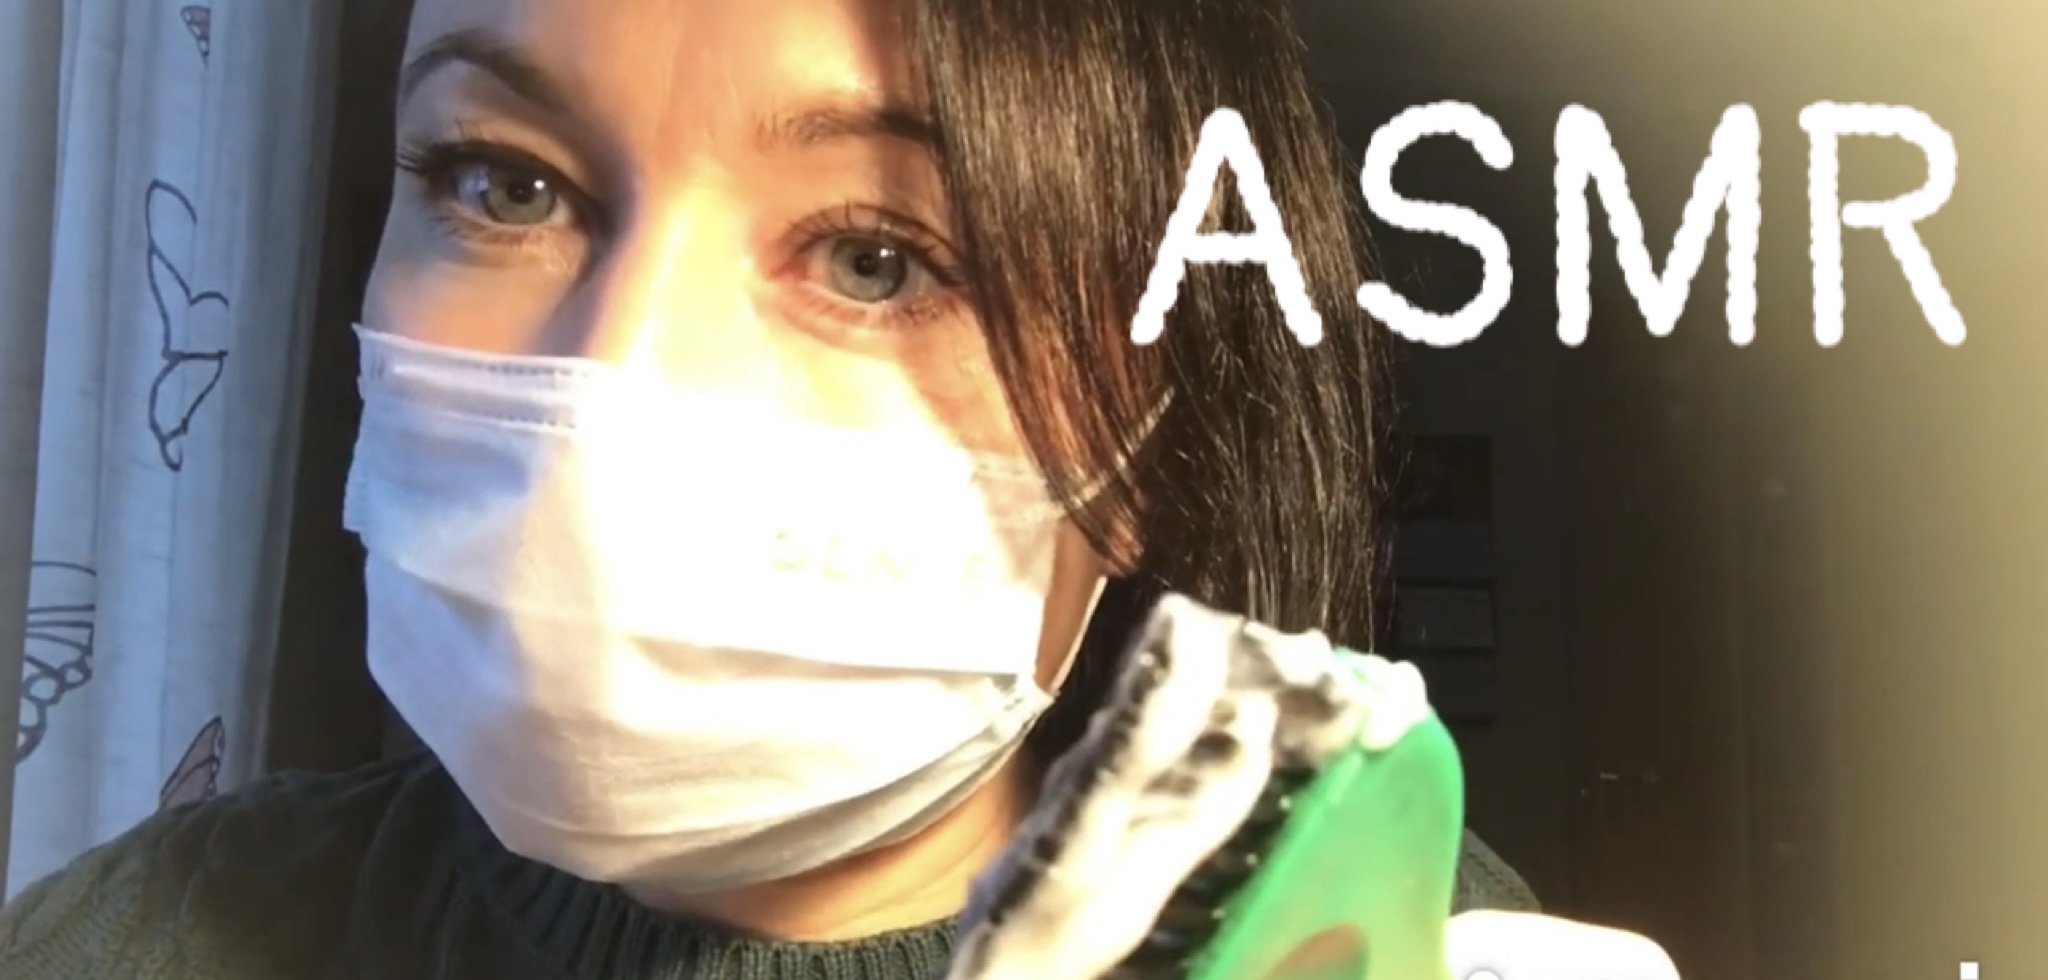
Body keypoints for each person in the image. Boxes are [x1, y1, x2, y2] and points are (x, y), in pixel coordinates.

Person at [0, 0, 1674, 977]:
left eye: (880, 257)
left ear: (1154, 435)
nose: (615, 379)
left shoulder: (1384, 942)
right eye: (500, 182)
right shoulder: (132, 937)